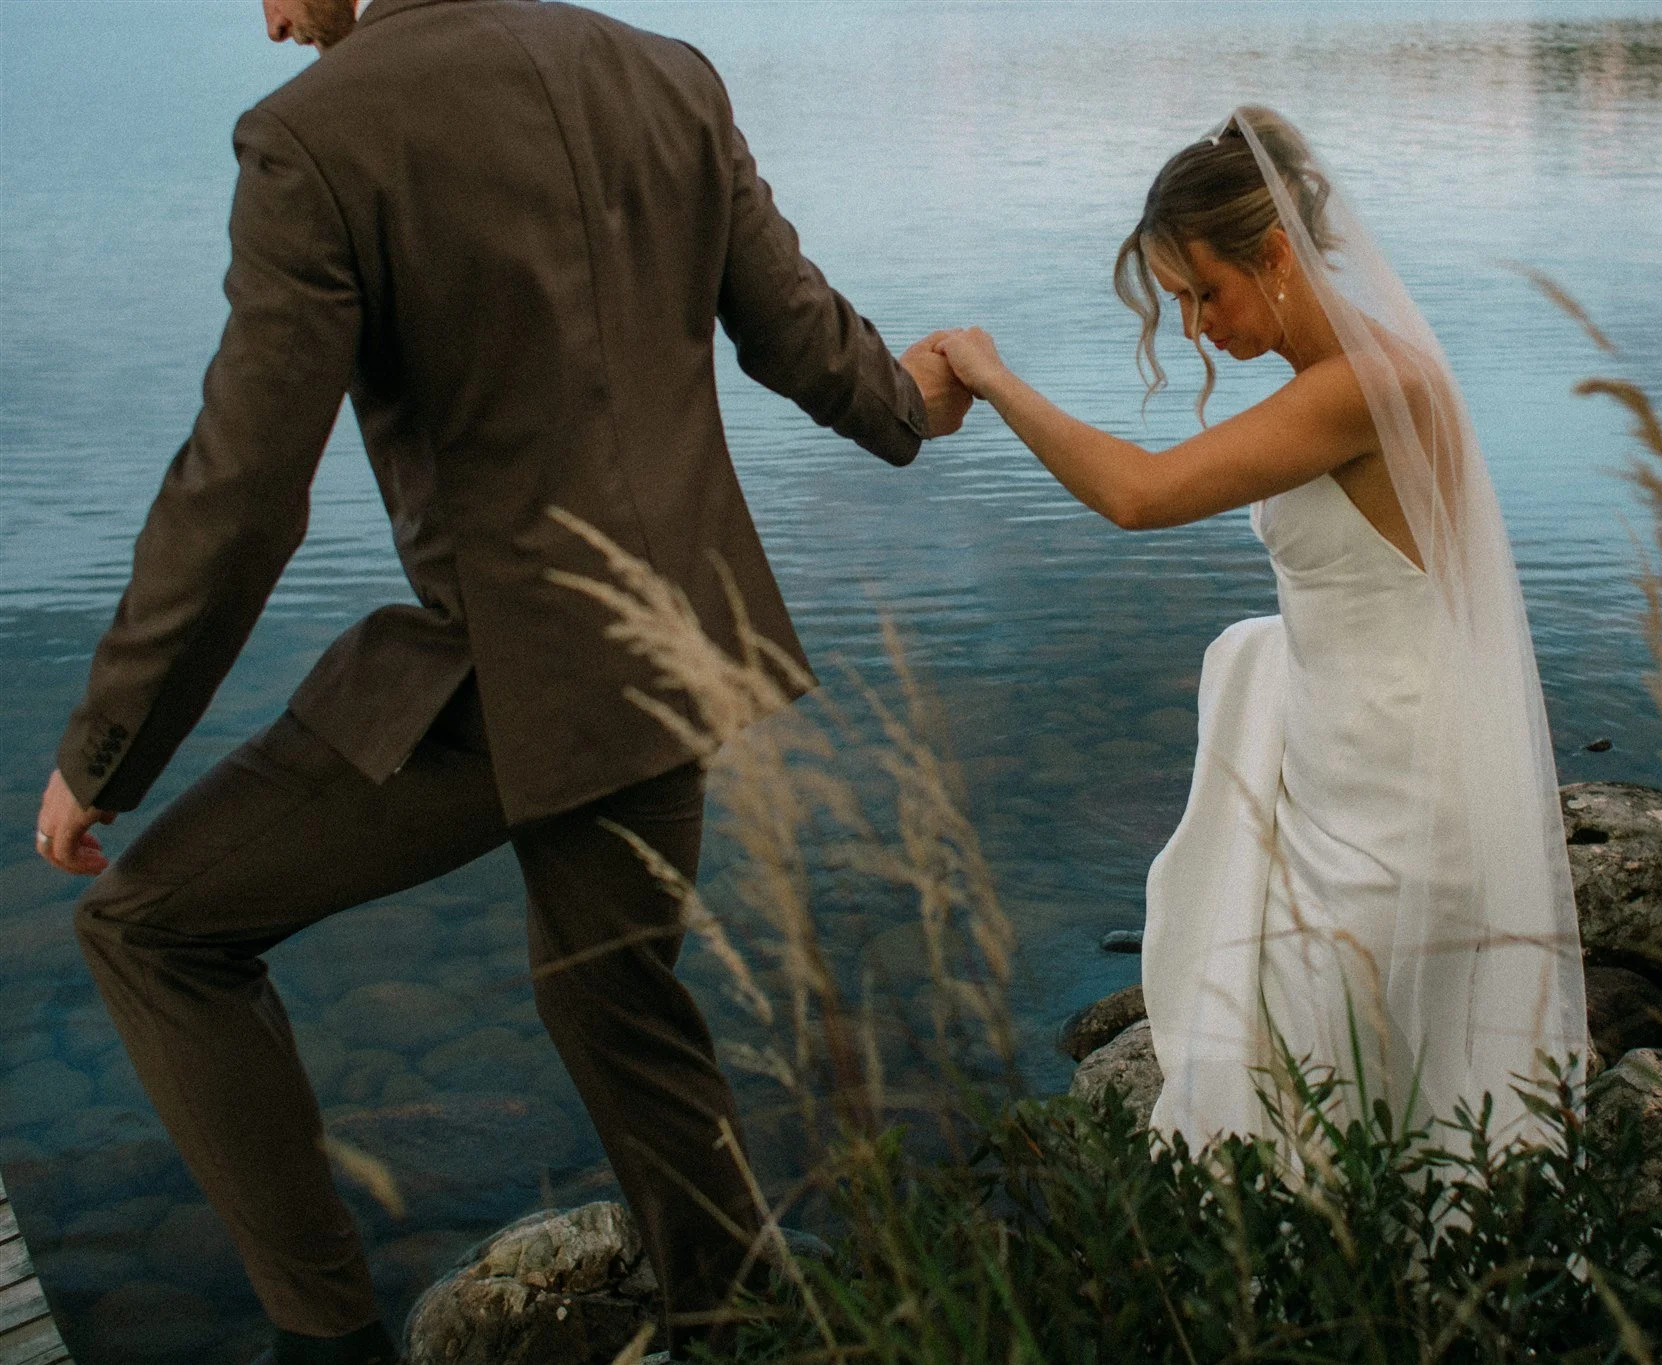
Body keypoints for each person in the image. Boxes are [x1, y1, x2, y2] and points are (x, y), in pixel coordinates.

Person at [29, 0, 971, 1361]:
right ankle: (739, 1314)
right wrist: (908, 402)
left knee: (154, 931)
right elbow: (798, 333)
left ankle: (327, 1337)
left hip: (501, 674)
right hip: (674, 649)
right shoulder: (666, 75)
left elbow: (244, 493)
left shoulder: (315, 133)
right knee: (611, 991)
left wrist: (103, 749)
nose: (270, 14)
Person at [933, 107, 1587, 1158]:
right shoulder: (1348, 376)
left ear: (1274, 254)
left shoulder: (1368, 389)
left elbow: (1139, 497)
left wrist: (992, 377)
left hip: (1400, 800)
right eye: (1178, 303)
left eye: (1204, 293)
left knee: (1329, 1092)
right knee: (1339, 1093)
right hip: (1354, 763)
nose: (1194, 327)